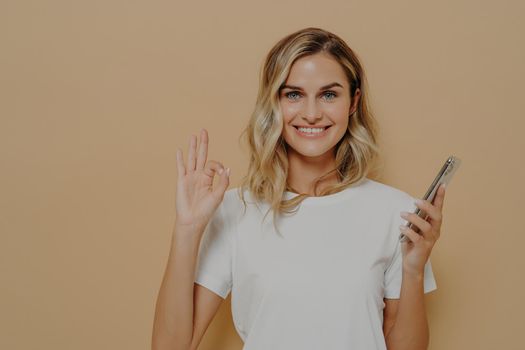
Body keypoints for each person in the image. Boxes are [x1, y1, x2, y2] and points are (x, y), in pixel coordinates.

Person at [152, 27, 446, 350]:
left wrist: (414, 270)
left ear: (353, 102)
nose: (311, 113)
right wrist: (187, 229)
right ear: (274, 102)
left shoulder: (395, 212)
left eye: (329, 95)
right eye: (293, 94)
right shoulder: (236, 210)